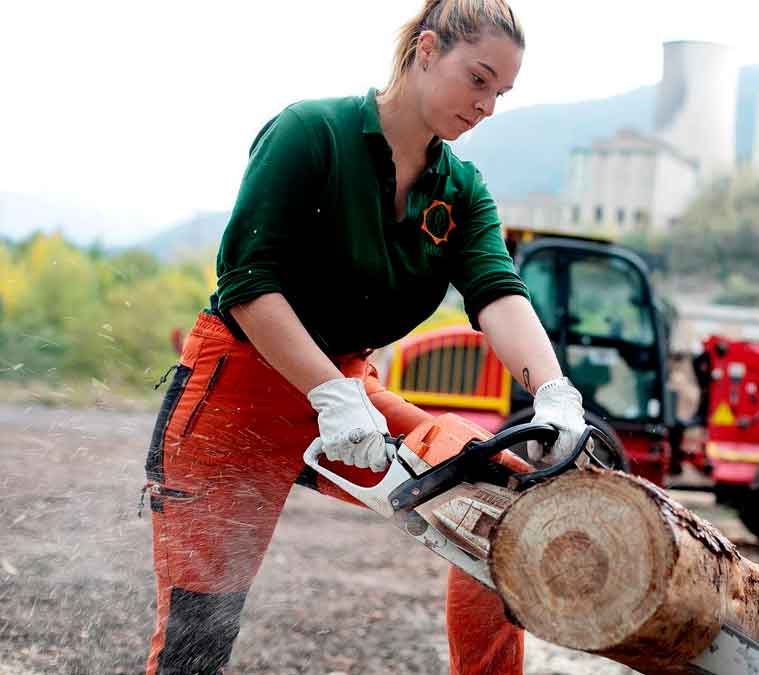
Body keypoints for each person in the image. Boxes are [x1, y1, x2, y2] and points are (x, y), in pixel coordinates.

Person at [140, 1, 586, 673]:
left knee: (499, 504)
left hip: (350, 392)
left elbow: (497, 292)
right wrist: (326, 390)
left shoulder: (460, 191)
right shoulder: (311, 133)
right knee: (198, 638)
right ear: (428, 50)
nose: (487, 106)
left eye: (501, 92)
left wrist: (552, 387)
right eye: (479, 79)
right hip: (241, 388)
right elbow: (247, 279)